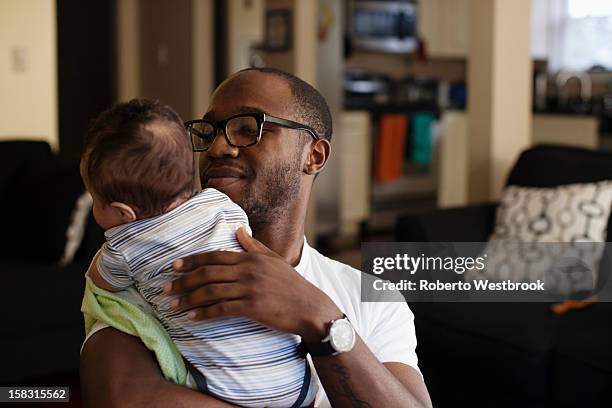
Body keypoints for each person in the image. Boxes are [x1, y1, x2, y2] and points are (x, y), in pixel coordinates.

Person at [80, 67, 432, 408]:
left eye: (248, 129)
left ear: (314, 155)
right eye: (209, 131)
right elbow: (123, 399)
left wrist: (320, 318)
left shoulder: (371, 298)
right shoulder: (151, 269)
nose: (217, 148)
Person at [80, 98, 315, 407]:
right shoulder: (222, 206)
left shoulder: (125, 248)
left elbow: (102, 285)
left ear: (124, 213)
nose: (220, 148)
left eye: (95, 200)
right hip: (299, 384)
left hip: (232, 393)